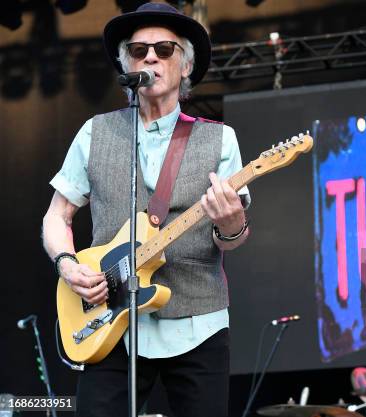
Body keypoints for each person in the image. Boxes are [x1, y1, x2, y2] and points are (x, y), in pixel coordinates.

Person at [41, 3, 249, 416]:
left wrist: (230, 223)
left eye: (164, 50)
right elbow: (57, 216)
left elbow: (235, 237)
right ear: (126, 64)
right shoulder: (94, 133)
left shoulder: (220, 140)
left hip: (198, 323)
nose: (150, 56)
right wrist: (67, 264)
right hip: (110, 323)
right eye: (138, 50)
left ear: (186, 66)